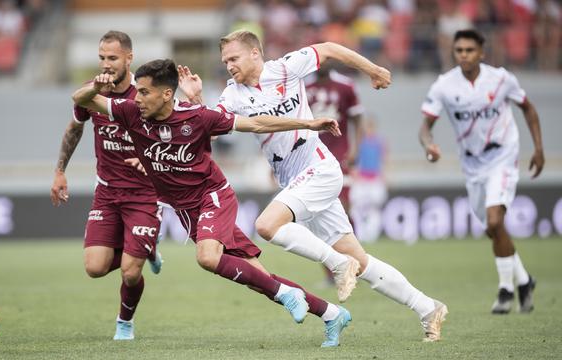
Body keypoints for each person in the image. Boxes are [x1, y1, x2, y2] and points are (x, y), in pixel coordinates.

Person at [178, 30, 447, 342]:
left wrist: (372, 69)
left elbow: (330, 48)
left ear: (255, 53)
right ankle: (428, 308)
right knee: (360, 261)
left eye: (234, 58)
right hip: (296, 180)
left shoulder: (285, 68)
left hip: (319, 166)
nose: (229, 65)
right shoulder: (232, 96)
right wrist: (195, 100)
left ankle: (336, 264)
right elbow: (210, 131)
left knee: (267, 225)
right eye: (225, 61)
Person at [72, 58, 352, 348]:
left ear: (167, 94)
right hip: (186, 210)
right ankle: (332, 314)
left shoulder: (197, 116)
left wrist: (307, 122)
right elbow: (80, 99)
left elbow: (255, 123)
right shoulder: (130, 112)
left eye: (144, 92)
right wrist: (96, 86)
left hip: (213, 196)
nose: (137, 98)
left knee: (207, 258)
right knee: (259, 277)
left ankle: (285, 293)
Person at [420, 29, 543, 314]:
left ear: (481, 53)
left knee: (494, 220)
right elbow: (425, 126)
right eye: (459, 50)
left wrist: (538, 148)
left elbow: (528, 108)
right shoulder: (444, 85)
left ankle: (505, 290)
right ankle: (525, 280)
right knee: (492, 228)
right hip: (472, 164)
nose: (463, 55)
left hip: (503, 155)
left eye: (469, 50)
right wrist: (429, 146)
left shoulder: (501, 79)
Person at [50, 31, 163, 341]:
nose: (106, 64)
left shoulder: (145, 95)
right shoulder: (90, 93)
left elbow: (170, 133)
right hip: (108, 192)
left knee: (130, 271)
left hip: (144, 194)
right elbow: (75, 129)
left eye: (112, 58)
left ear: (129, 58)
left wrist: (151, 160)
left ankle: (124, 323)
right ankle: (143, 248)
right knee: (95, 268)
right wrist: (60, 171)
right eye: (102, 57)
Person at [306, 62, 363, 284]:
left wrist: (356, 148)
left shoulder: (345, 86)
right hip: (311, 158)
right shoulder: (302, 88)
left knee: (345, 210)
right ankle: (331, 273)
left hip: (341, 155)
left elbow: (358, 119)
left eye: (327, 59)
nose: (322, 63)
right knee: (315, 217)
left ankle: (355, 261)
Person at [350, 118, 388, 243]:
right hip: (361, 179)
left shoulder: (379, 142)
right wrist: (354, 173)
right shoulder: (360, 143)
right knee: (357, 207)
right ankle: (359, 233)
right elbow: (354, 161)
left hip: (375, 179)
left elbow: (384, 160)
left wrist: (385, 176)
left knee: (374, 208)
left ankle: (372, 234)